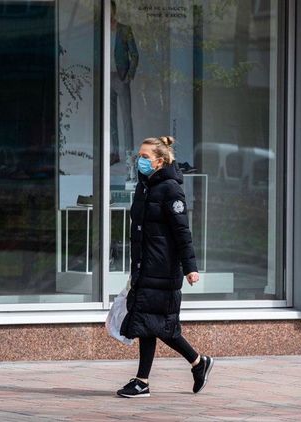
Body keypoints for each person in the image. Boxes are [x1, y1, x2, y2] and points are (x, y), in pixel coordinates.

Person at [117, 136, 213, 398]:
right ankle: (186, 366)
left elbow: (182, 232)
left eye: (145, 157)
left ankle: (154, 377)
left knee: (158, 325)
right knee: (147, 322)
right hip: (144, 265)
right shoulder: (144, 187)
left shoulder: (170, 189)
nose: (140, 160)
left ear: (159, 161)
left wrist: (190, 267)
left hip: (162, 268)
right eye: (139, 156)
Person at [110, 0, 139, 166]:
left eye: (110, 10)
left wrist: (129, 76)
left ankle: (129, 155)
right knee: (110, 118)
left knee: (127, 118)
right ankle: (114, 153)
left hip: (121, 77)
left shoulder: (124, 30)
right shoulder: (101, 31)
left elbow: (135, 54)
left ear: (114, 11)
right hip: (107, 78)